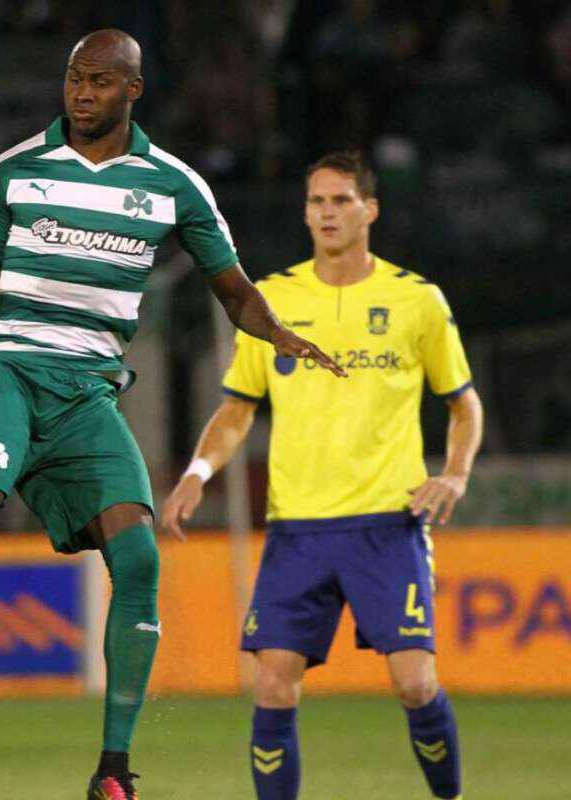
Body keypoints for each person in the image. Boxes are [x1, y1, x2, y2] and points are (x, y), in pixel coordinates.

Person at [0, 29, 344, 800]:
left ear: (133, 90)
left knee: (138, 559)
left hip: (89, 392)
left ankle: (112, 770)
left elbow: (231, 290)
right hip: (8, 370)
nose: (82, 93)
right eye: (74, 78)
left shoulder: (175, 186)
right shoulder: (17, 169)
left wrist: (282, 334)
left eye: (101, 81)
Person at [163, 151, 482, 800]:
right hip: (297, 529)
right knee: (274, 685)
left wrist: (454, 474)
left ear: (371, 209)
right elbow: (236, 407)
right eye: (316, 202)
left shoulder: (415, 300)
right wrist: (199, 469)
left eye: (340, 201)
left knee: (415, 684)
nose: (327, 213)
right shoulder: (272, 301)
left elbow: (463, 403)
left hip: (387, 526)